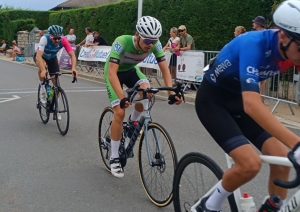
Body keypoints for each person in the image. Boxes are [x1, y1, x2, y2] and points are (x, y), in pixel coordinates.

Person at [195, 1, 300, 211]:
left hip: (241, 101)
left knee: (281, 160)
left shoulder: (291, 49)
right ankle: (208, 205)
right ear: (283, 36)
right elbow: (251, 104)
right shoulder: (254, 43)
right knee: (250, 164)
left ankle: (271, 207)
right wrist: (297, 145)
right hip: (214, 101)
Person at [104, 16, 182, 178]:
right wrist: (122, 97)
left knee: (147, 92)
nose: (150, 45)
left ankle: (133, 122)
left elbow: (165, 69)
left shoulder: (155, 44)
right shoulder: (122, 42)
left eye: (153, 41)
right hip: (114, 73)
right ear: (137, 35)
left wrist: (171, 93)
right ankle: (114, 157)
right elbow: (112, 72)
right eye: (147, 41)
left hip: (131, 71)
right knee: (119, 112)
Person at [34, 25, 78, 116]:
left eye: (59, 38)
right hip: (41, 57)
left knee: (57, 83)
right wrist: (43, 70)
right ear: (50, 36)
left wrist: (73, 68)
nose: (57, 40)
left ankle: (56, 106)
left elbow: (72, 55)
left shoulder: (64, 40)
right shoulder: (44, 39)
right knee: (43, 68)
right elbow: (38, 56)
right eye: (55, 38)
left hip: (52, 59)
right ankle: (42, 89)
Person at [174, 25, 195, 90]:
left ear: (185, 30)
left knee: (190, 70)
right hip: (185, 56)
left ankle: (189, 85)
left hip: (191, 56)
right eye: (179, 31)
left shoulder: (189, 37)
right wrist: (176, 48)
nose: (180, 32)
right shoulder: (181, 38)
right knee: (183, 69)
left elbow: (189, 47)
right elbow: (179, 45)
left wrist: (179, 49)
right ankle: (182, 84)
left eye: (182, 31)